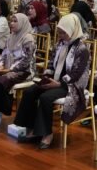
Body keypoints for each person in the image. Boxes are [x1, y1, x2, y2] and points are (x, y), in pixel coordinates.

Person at [13, 14, 91, 149]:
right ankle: (31, 128)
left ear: (72, 30)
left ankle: (47, 133)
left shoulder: (81, 49)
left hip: (71, 85)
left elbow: (76, 73)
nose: (60, 35)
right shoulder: (60, 44)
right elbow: (51, 64)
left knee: (45, 97)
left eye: (63, 33)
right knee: (30, 92)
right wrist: (47, 76)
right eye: (59, 32)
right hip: (56, 80)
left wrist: (59, 83)